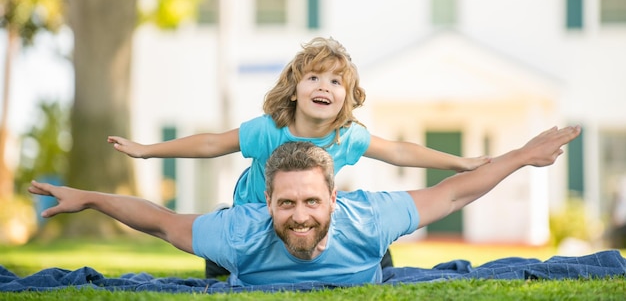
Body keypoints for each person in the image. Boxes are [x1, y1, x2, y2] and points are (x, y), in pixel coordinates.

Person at [107, 37, 490, 275]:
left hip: (308, 215)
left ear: (346, 96)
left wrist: (460, 162)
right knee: (234, 261)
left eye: (336, 82)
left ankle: (378, 265)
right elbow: (211, 144)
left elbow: (399, 151)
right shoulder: (268, 130)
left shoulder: (347, 138)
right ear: (295, 90)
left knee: (354, 228)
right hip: (255, 213)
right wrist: (148, 151)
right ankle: (220, 266)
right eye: (314, 78)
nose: (324, 86)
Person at [30, 125, 581, 286]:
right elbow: (161, 221)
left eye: (312, 201)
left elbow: (455, 191)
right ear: (264, 201)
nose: (300, 214)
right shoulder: (240, 232)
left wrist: (521, 155)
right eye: (287, 202)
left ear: (334, 198)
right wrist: (91, 199)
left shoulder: (368, 217)